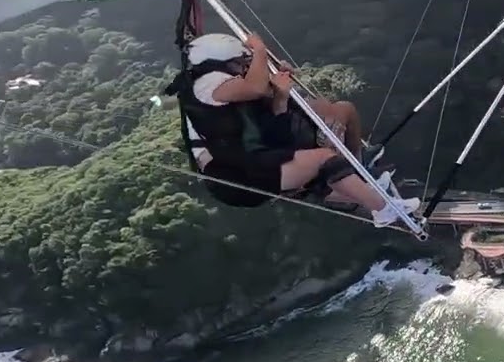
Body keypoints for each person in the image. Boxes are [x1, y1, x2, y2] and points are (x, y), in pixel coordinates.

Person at [173, 32, 419, 228]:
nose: (243, 67)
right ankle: (383, 209)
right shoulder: (207, 86)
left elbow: (273, 115)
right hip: (237, 178)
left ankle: (357, 174)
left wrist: (280, 83)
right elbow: (257, 89)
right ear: (217, 65)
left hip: (256, 156)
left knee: (340, 111)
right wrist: (259, 49)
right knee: (324, 159)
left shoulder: (231, 90)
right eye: (238, 63)